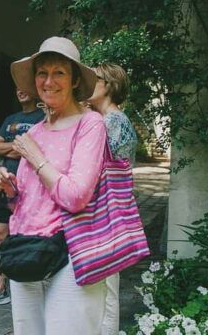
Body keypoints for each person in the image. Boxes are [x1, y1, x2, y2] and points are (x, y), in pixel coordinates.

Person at [0, 37, 108, 334]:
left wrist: (35, 157)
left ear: (73, 81)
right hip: (27, 251)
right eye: (42, 73)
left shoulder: (90, 124)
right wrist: (10, 190)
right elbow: (26, 203)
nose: (49, 81)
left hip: (71, 253)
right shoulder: (36, 131)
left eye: (59, 72)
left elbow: (75, 196)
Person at [0, 89, 44, 308]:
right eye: (17, 87)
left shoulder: (43, 119)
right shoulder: (11, 120)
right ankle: (0, 287)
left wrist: (12, 148)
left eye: (26, 87)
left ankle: (25, 287)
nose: (21, 91)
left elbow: (39, 150)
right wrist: (20, 147)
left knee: (25, 235)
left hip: (30, 188)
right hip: (5, 186)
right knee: (0, 234)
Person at [87, 63, 137, 335]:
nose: (87, 84)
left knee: (106, 289)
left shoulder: (113, 121)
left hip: (106, 214)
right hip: (108, 212)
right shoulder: (108, 119)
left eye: (94, 79)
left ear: (109, 85)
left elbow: (110, 173)